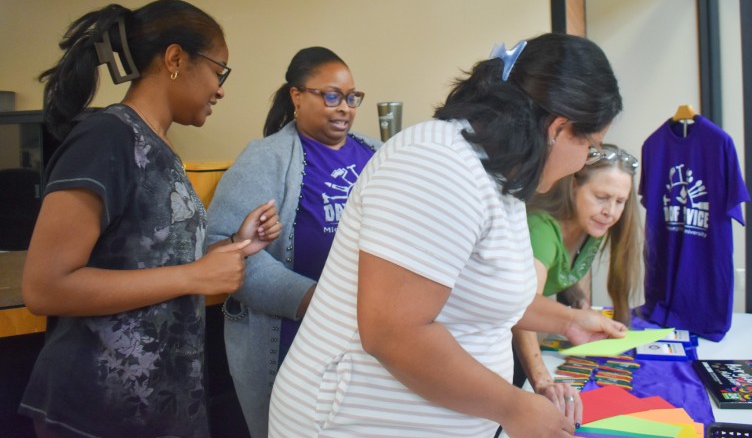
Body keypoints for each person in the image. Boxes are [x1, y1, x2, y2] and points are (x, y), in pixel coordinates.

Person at [269, 33, 627, 438]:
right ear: (558, 128)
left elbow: (475, 295)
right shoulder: (438, 165)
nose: (585, 162)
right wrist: (514, 407)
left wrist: (569, 321)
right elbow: (393, 333)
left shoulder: (496, 174)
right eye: (591, 147)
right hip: (348, 422)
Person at [18, 0, 281, 438]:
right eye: (219, 72)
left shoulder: (160, 146)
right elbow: (45, 287)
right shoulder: (107, 138)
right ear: (176, 59)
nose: (220, 90)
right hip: (96, 413)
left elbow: (156, 263)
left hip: (162, 409)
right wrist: (197, 276)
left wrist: (233, 246)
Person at [205, 46, 381, 438]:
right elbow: (223, 250)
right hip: (292, 341)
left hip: (369, 338)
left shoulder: (379, 154)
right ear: (297, 96)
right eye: (331, 96)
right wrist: (318, 301)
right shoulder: (265, 158)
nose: (345, 108)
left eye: (352, 97)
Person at [512, 144, 642, 412]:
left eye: (620, 201)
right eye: (601, 197)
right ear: (573, 187)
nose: (611, 212)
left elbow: (565, 270)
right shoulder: (542, 230)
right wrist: (542, 382)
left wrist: (578, 301)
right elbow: (521, 308)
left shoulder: (594, 227)